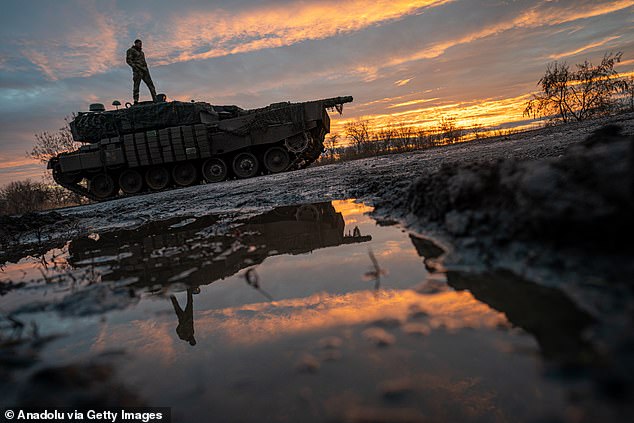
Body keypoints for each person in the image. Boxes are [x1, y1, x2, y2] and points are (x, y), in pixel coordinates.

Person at [126, 39, 157, 103]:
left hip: (145, 70)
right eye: (139, 43)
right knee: (136, 86)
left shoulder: (142, 53)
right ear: (136, 43)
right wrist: (135, 67)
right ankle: (136, 100)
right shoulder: (131, 50)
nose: (141, 45)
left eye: (141, 44)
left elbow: (144, 62)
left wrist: (146, 68)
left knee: (151, 85)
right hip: (138, 70)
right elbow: (128, 60)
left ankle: (155, 99)